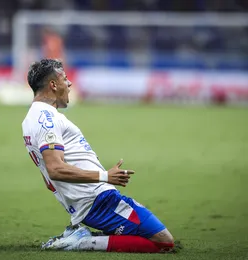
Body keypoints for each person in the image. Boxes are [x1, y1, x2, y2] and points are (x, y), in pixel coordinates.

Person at [22, 59, 175, 253]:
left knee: (146, 229)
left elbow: (47, 177)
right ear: (53, 85)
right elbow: (55, 169)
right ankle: (81, 242)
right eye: (65, 79)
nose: (69, 84)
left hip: (89, 199)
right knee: (163, 242)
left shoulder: (31, 119)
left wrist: (71, 202)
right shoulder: (47, 119)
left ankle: (78, 234)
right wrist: (104, 176)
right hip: (97, 199)